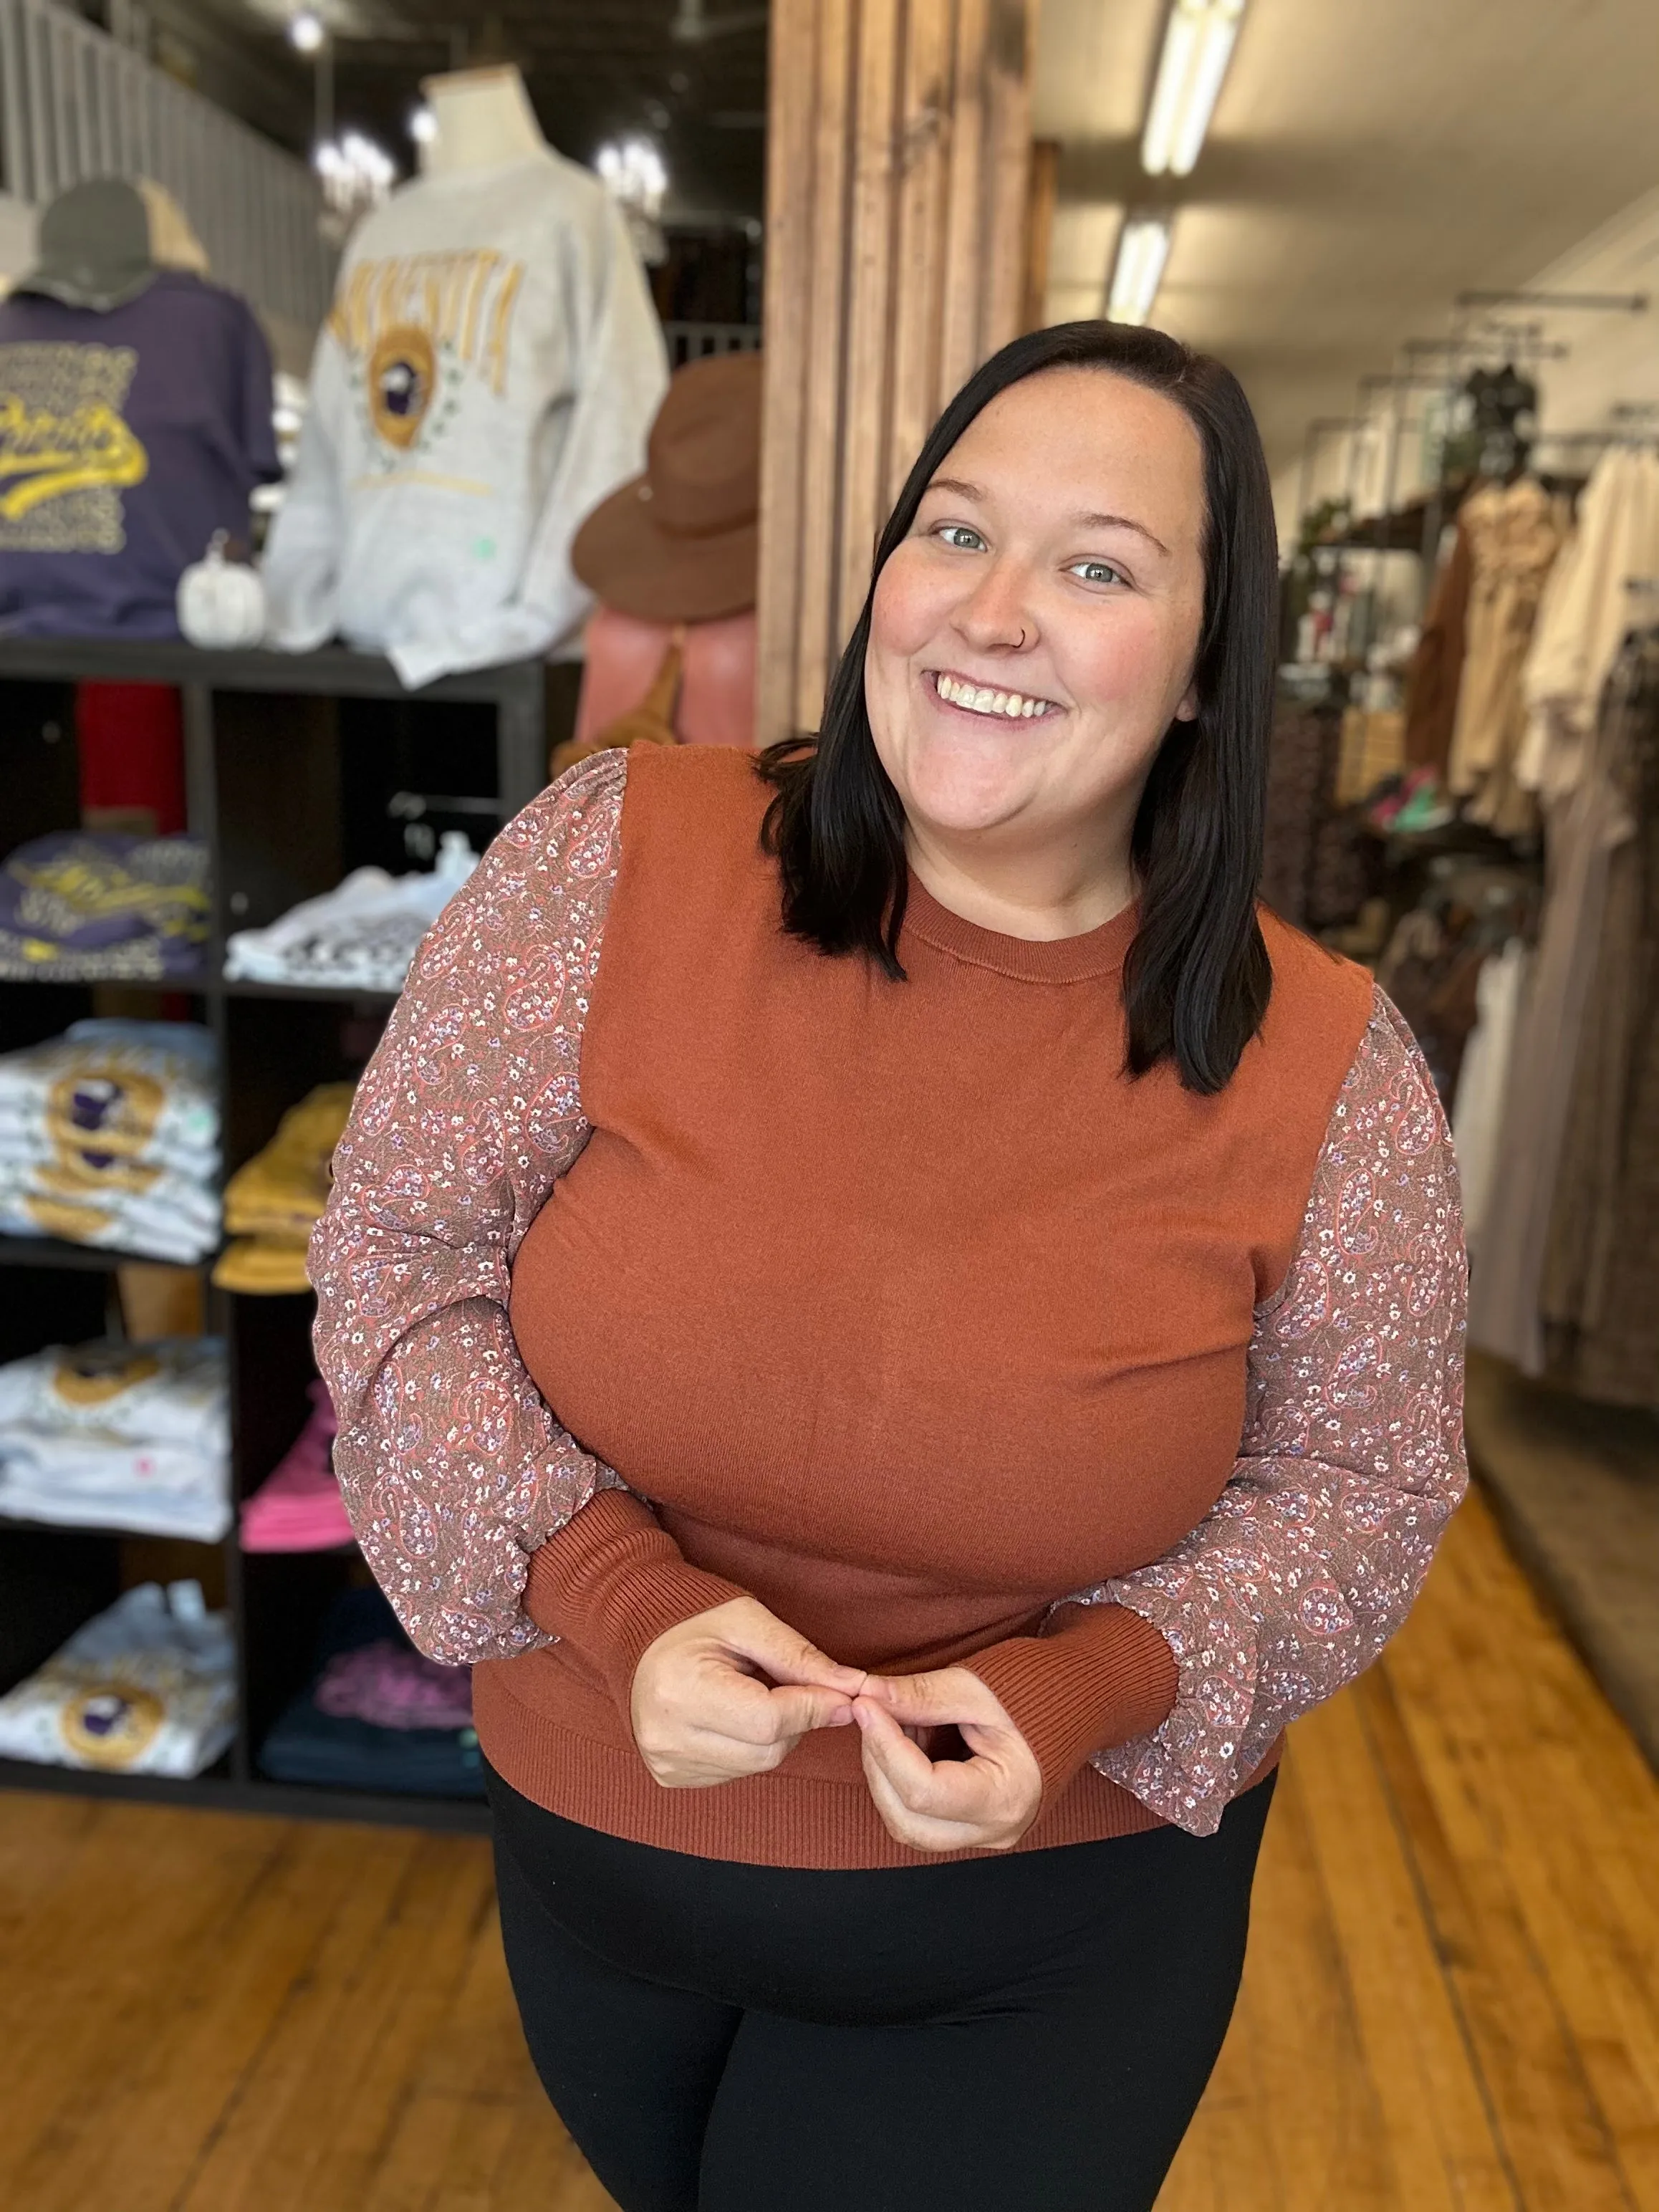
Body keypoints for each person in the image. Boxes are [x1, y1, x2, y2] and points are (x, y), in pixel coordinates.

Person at [310, 320, 1468, 2212]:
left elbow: (1359, 1488)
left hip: (1038, 1944)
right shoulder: (617, 856)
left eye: (1099, 565)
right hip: (590, 1861)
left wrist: (1090, 1688)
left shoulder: (1329, 1067)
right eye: (954, 531)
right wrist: (606, 1595)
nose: (992, 612)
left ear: (1198, 670)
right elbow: (398, 1265)